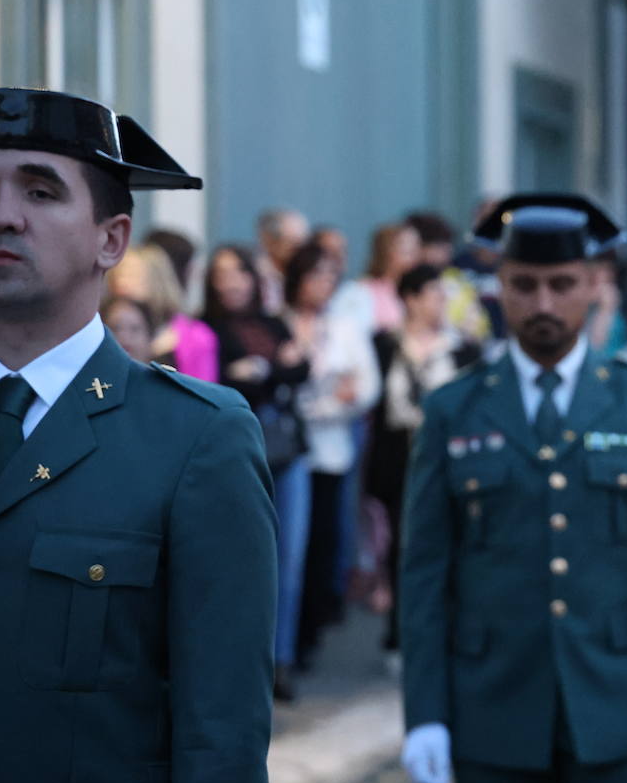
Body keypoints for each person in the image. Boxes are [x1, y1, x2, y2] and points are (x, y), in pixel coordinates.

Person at [0, 87, 275, 783]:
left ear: (111, 240)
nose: (2, 214)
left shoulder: (193, 438)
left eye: (39, 190)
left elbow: (222, 731)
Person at [399, 194, 627, 783]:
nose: (542, 304)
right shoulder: (452, 408)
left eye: (562, 284)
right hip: (493, 707)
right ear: (498, 287)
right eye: (524, 285)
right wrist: (424, 711)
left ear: (594, 284)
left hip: (619, 699)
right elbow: (425, 572)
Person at [203, 243, 312, 701]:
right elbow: (223, 385)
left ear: (253, 278)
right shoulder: (205, 328)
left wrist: (261, 372)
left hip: (288, 448)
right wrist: (266, 371)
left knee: (290, 560)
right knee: (240, 562)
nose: (231, 282)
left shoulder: (273, 321)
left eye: (239, 273)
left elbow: (301, 369)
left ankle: (280, 661)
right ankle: (241, 662)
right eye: (222, 274)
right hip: (233, 455)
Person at [371, 263, 481, 665]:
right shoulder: (384, 344)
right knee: (402, 547)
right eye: (435, 294)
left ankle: (452, 627)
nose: (442, 303)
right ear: (411, 299)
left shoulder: (463, 349)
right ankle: (401, 634)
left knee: (453, 539)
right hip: (398, 459)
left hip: (449, 457)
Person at [283, 241, 380, 670]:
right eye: (313, 275)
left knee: (322, 541)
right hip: (285, 447)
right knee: (286, 547)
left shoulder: (344, 326)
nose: (321, 285)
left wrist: (336, 401)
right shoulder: (280, 323)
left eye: (328, 276)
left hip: (332, 447)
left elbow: (364, 385)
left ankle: (308, 636)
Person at [106, 241, 219, 381]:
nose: (122, 283)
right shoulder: (102, 327)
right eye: (118, 275)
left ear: (158, 281)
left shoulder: (195, 336)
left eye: (132, 275)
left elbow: (204, 390)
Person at [405, 210, 493, 347]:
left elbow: (480, 326)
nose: (449, 251)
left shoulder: (457, 279)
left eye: (448, 244)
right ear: (421, 247)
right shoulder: (402, 281)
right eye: (440, 245)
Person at [256, 208, 310, 315]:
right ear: (269, 240)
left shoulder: (306, 276)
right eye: (294, 245)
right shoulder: (254, 276)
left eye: (305, 245)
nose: (302, 253)